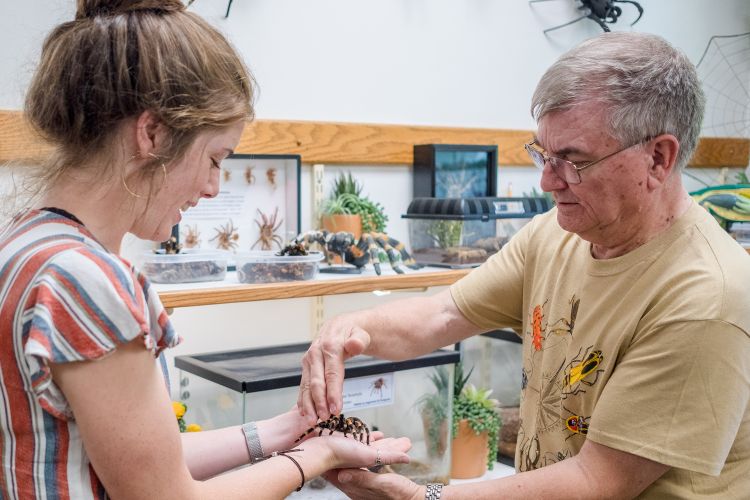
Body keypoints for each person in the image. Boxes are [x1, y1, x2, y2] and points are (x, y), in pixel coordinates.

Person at [298, 31, 750, 499]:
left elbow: (599, 481)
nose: (547, 180)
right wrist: (350, 330)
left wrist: (422, 496)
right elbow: (444, 314)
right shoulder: (554, 234)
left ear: (658, 157)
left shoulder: (706, 296)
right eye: (543, 154)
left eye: (573, 160)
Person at [0, 1, 410, 498]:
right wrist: (318, 455)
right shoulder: (86, 280)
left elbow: (141, 460)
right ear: (152, 133)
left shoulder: (27, 244)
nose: (215, 187)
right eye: (215, 158)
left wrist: (288, 431)